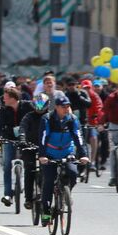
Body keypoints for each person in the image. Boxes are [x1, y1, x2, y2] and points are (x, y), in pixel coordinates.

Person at [37, 92, 88, 224]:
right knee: (48, 180)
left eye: (68, 106)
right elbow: (43, 137)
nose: (66, 109)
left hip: (67, 152)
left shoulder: (72, 119)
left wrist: (83, 155)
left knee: (73, 173)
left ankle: (66, 194)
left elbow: (78, 137)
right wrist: (42, 155)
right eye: (64, 106)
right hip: (49, 154)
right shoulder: (47, 119)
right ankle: (46, 211)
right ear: (57, 107)